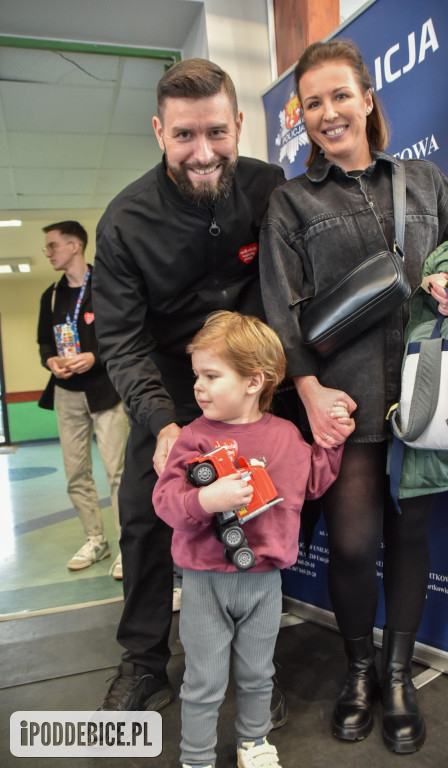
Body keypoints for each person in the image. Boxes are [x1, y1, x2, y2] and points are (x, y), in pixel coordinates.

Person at [259, 40, 448, 755]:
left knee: (410, 534)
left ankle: (399, 672)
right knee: (352, 544)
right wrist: (311, 393)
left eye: (339, 95)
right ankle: (359, 672)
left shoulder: (427, 181)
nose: (328, 113)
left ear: (368, 97)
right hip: (342, 401)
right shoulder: (291, 201)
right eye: (312, 103)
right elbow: (280, 309)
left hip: (425, 391)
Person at [91, 58, 287, 714]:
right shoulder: (123, 222)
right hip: (171, 377)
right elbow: (121, 339)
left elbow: (287, 294)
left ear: (236, 124)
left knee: (267, 506)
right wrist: (164, 425)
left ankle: (256, 660)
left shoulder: (270, 190)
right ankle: (144, 660)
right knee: (145, 510)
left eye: (215, 132)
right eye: (183, 136)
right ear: (158, 132)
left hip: (255, 367)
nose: (202, 153)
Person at [152, 311, 351, 768]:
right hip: (204, 583)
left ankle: (253, 744)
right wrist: (206, 499)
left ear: (253, 381)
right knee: (203, 679)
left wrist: (333, 440)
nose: (198, 386)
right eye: (197, 375)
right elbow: (166, 501)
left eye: (211, 375)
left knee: (259, 673)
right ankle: (196, 757)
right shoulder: (193, 438)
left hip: (265, 582)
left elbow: (314, 482)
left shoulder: (285, 436)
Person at [37, 220, 128, 578]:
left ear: (75, 245)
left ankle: (126, 545)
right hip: (67, 394)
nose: (48, 253)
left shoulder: (105, 288)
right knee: (76, 473)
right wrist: (51, 361)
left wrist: (94, 356)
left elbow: (122, 334)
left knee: (117, 471)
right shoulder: (52, 295)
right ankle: (95, 539)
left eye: (53, 246)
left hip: (105, 391)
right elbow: (45, 341)